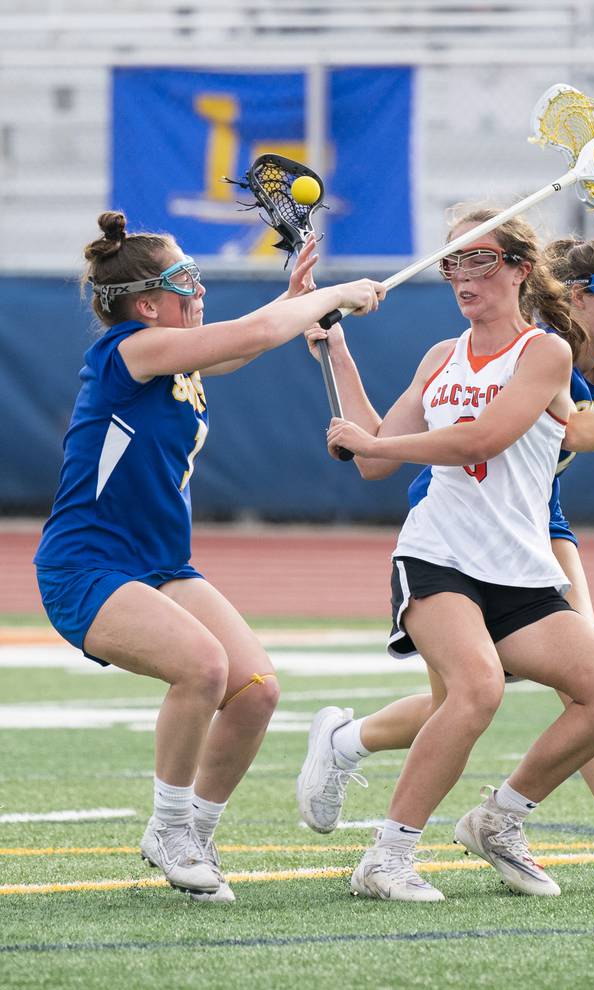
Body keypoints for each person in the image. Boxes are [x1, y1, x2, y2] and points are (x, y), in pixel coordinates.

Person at [297, 220, 594, 898]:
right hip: (439, 551)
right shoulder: (441, 355)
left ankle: (499, 817)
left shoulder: (544, 353)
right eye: (452, 264)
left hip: (518, 557)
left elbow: (489, 437)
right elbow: (373, 457)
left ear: (519, 269)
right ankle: (386, 858)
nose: (462, 275)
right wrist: (338, 353)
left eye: (476, 260)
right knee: (477, 689)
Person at [33, 211, 384, 903]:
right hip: (88, 565)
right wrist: (328, 298)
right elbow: (250, 335)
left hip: (161, 565)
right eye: (184, 278)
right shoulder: (129, 350)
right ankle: (166, 827)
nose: (198, 288)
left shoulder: (180, 355)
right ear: (145, 304)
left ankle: (195, 828)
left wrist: (296, 302)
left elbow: (241, 347)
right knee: (202, 668)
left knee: (256, 690)